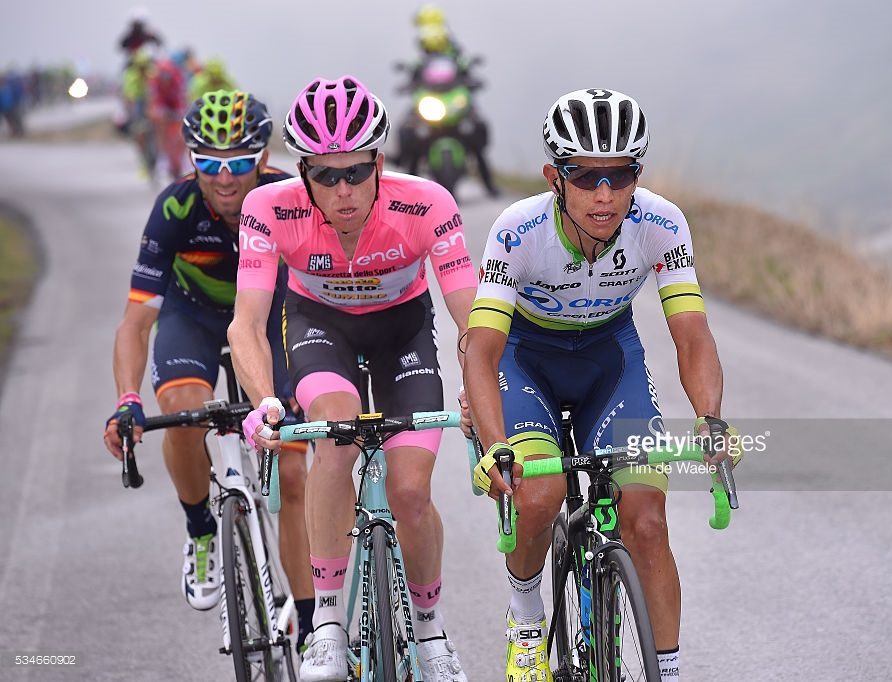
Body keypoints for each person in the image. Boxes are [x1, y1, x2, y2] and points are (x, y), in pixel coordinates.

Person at [462, 88, 743, 682]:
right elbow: (482, 351)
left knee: (647, 520)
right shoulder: (519, 229)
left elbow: (692, 335)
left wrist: (710, 419)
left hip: (607, 358)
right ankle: (527, 619)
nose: (603, 193)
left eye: (620, 175)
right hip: (526, 358)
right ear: (553, 176)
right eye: (584, 174)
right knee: (539, 493)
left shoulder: (661, 223)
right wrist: (495, 447)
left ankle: (666, 672)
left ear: (637, 174)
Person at [228, 75, 476, 682]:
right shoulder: (267, 208)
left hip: (402, 333)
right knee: (333, 441)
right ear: (302, 172)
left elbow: (474, 318)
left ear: (379, 163)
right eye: (326, 175)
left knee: (411, 492)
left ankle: (430, 629)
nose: (343, 190)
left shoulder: (427, 204)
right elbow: (247, 325)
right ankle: (329, 625)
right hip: (320, 328)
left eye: (356, 173)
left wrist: (480, 387)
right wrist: (264, 401)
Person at [102, 90, 317, 651]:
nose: (226, 179)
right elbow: (135, 322)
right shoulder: (175, 210)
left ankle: (312, 621)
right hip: (192, 316)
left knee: (292, 475)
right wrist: (128, 398)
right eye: (210, 163)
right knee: (181, 411)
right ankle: (200, 526)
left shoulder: (286, 197)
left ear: (262, 159)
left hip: (269, 318)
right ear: (191, 159)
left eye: (240, 162)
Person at [397, 5, 499, 198]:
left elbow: (464, 67)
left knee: (476, 128)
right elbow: (416, 71)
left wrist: (470, 78)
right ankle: (406, 186)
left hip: (454, 99)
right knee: (408, 129)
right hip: (430, 98)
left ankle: (489, 184)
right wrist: (409, 82)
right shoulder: (422, 59)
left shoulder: (454, 52)